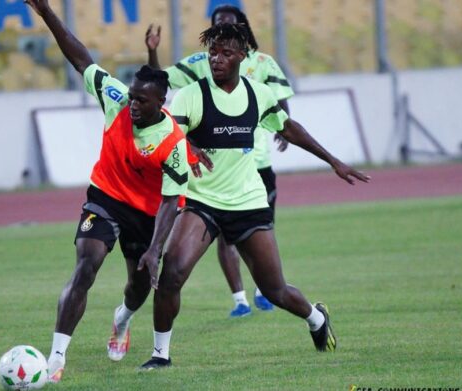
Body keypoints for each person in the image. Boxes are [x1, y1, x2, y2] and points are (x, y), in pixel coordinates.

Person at [139, 23, 370, 370]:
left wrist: (333, 161)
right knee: (171, 274)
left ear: (242, 57)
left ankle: (315, 318)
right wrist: (189, 145)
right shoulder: (191, 95)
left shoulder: (258, 94)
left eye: (226, 53)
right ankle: (160, 355)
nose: (217, 59)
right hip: (202, 203)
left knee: (275, 290)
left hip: (248, 203)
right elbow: (170, 131)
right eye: (212, 53)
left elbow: (288, 128)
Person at [23, 0, 192, 383]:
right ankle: (56, 358)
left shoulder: (172, 142)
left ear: (160, 104)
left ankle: (122, 319)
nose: (131, 104)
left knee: (137, 287)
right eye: (131, 96)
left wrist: (154, 248)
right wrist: (48, 12)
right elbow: (81, 58)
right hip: (104, 196)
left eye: (141, 101)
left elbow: (171, 201)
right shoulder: (116, 99)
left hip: (147, 214)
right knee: (86, 265)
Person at [145, 4, 293, 317]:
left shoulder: (262, 63)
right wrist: (153, 53)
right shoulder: (202, 64)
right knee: (225, 237)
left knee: (257, 237)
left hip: (256, 165)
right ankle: (240, 298)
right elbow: (161, 82)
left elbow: (280, 102)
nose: (218, 57)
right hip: (210, 171)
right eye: (217, 24)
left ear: (242, 29)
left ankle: (264, 289)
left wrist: (284, 128)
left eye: (229, 23)